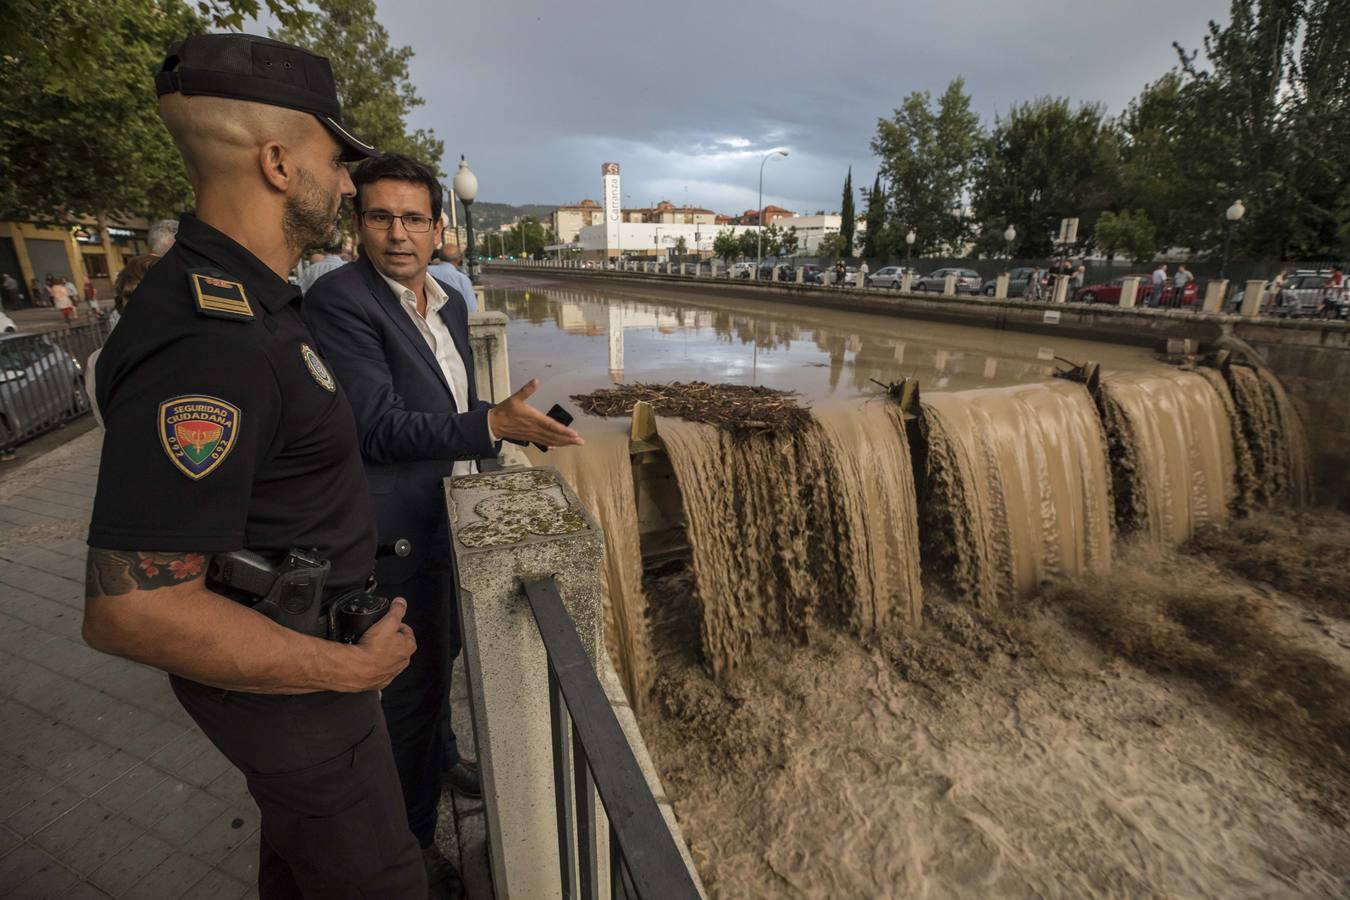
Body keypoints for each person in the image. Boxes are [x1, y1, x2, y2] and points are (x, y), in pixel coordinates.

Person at [80, 33, 430, 899]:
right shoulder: (209, 339)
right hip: (301, 693)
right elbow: (132, 611)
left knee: (303, 871)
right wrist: (344, 671)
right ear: (278, 162)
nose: (347, 183)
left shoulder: (252, 302)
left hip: (301, 676)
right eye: (335, 159)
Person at [304, 153, 582, 896]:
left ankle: (444, 757)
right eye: (380, 217)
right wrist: (488, 422)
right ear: (357, 224)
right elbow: (381, 428)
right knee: (407, 698)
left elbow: (450, 407)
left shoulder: (448, 303)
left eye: (414, 218)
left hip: (450, 516)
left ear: (439, 226)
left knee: (444, 662)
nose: (399, 234)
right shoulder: (340, 302)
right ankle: (412, 847)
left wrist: (498, 428)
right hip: (395, 539)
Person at [426, 242, 476, 312]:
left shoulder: (426, 271)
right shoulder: (462, 279)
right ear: (459, 259)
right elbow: (471, 309)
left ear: (439, 257)